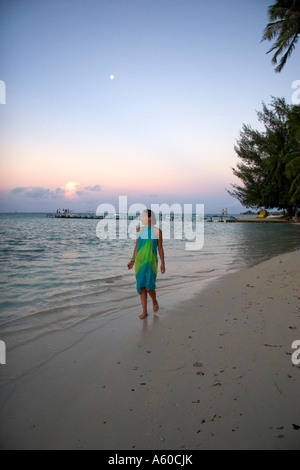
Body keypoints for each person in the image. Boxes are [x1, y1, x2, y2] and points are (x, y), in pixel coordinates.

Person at [127, 209, 165, 320]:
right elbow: (137, 246)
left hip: (151, 262)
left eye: (143, 216)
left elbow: (160, 247)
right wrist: (132, 261)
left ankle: (154, 300)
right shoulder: (139, 230)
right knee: (141, 287)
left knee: (149, 287)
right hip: (139, 262)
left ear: (149, 218)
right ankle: (144, 311)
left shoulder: (158, 231)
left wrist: (163, 263)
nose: (141, 218)